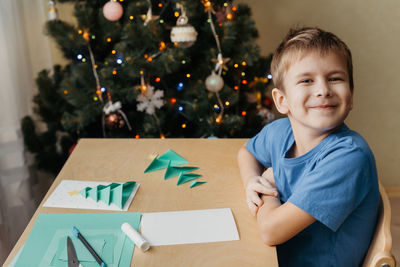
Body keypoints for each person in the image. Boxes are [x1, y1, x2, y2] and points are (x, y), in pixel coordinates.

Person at [237, 27, 379, 266]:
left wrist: (268, 187)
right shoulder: (280, 131)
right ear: (282, 101)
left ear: (351, 95)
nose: (323, 90)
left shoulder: (349, 157)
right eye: (306, 80)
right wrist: (253, 180)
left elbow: (271, 231)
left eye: (335, 78)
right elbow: (247, 152)